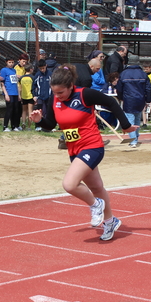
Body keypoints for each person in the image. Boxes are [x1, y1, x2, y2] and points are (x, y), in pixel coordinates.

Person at [30, 66, 136, 241]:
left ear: (71, 85)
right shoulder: (54, 100)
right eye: (55, 93)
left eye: (61, 92)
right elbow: (50, 124)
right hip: (74, 149)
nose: (58, 96)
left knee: (70, 184)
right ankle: (110, 221)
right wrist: (39, 120)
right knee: (96, 188)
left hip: (92, 146)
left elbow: (111, 102)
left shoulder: (84, 94)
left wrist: (125, 125)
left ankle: (95, 205)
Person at [117, 62, 151, 148]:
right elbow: (148, 89)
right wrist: (148, 100)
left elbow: (119, 88)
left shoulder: (124, 73)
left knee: (130, 120)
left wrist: (120, 97)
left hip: (128, 99)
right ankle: (136, 138)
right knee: (137, 119)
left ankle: (133, 140)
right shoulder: (143, 74)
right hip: (140, 99)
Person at [0, 57, 21, 131]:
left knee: (15, 109)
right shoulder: (4, 70)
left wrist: (18, 94)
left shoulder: (14, 70)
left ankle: (14, 126)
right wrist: (6, 94)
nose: (11, 64)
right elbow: (2, 83)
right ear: (6, 62)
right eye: (9, 62)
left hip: (15, 92)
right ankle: (5, 126)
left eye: (12, 62)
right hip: (9, 92)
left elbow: (16, 83)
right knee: (9, 109)